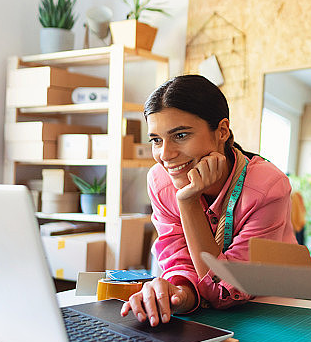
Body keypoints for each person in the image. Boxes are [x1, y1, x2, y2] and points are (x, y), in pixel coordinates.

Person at [121, 75, 296, 326]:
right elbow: (179, 260)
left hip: (274, 312)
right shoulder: (160, 181)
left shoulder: (267, 187)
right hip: (209, 311)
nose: (165, 155)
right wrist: (181, 293)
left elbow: (229, 290)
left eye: (180, 135)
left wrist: (188, 202)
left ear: (222, 131)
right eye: (156, 140)